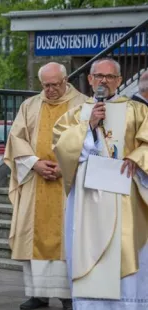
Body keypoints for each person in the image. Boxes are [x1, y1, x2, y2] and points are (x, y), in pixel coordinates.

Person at [53, 58, 148, 309]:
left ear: (119, 81)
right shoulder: (76, 113)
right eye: (99, 76)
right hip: (88, 198)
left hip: (124, 195)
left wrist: (137, 158)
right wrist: (88, 126)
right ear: (90, 79)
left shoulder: (138, 111)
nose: (104, 80)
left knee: (124, 251)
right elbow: (61, 146)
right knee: (88, 250)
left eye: (110, 76)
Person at [4, 62, 87, 310]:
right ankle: (38, 294)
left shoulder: (84, 104)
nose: (50, 90)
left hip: (70, 184)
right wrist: (35, 163)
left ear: (65, 80)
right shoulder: (30, 106)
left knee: (70, 236)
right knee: (34, 237)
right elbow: (16, 139)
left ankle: (69, 295)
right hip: (35, 180)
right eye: (45, 85)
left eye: (55, 84)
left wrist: (68, 165)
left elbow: (94, 142)